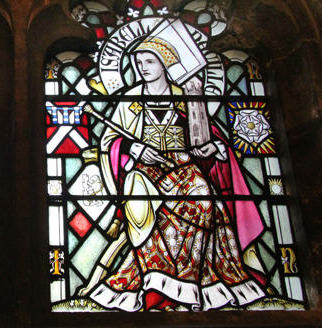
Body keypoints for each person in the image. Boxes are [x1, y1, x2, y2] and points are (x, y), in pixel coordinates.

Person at [90, 37, 267, 311]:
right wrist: (134, 148)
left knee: (203, 198)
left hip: (183, 165)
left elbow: (206, 135)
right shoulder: (130, 100)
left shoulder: (187, 97)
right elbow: (109, 140)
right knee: (149, 210)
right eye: (138, 63)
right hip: (146, 170)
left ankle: (191, 282)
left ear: (164, 64)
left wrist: (212, 147)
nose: (143, 67)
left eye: (149, 61)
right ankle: (156, 283)